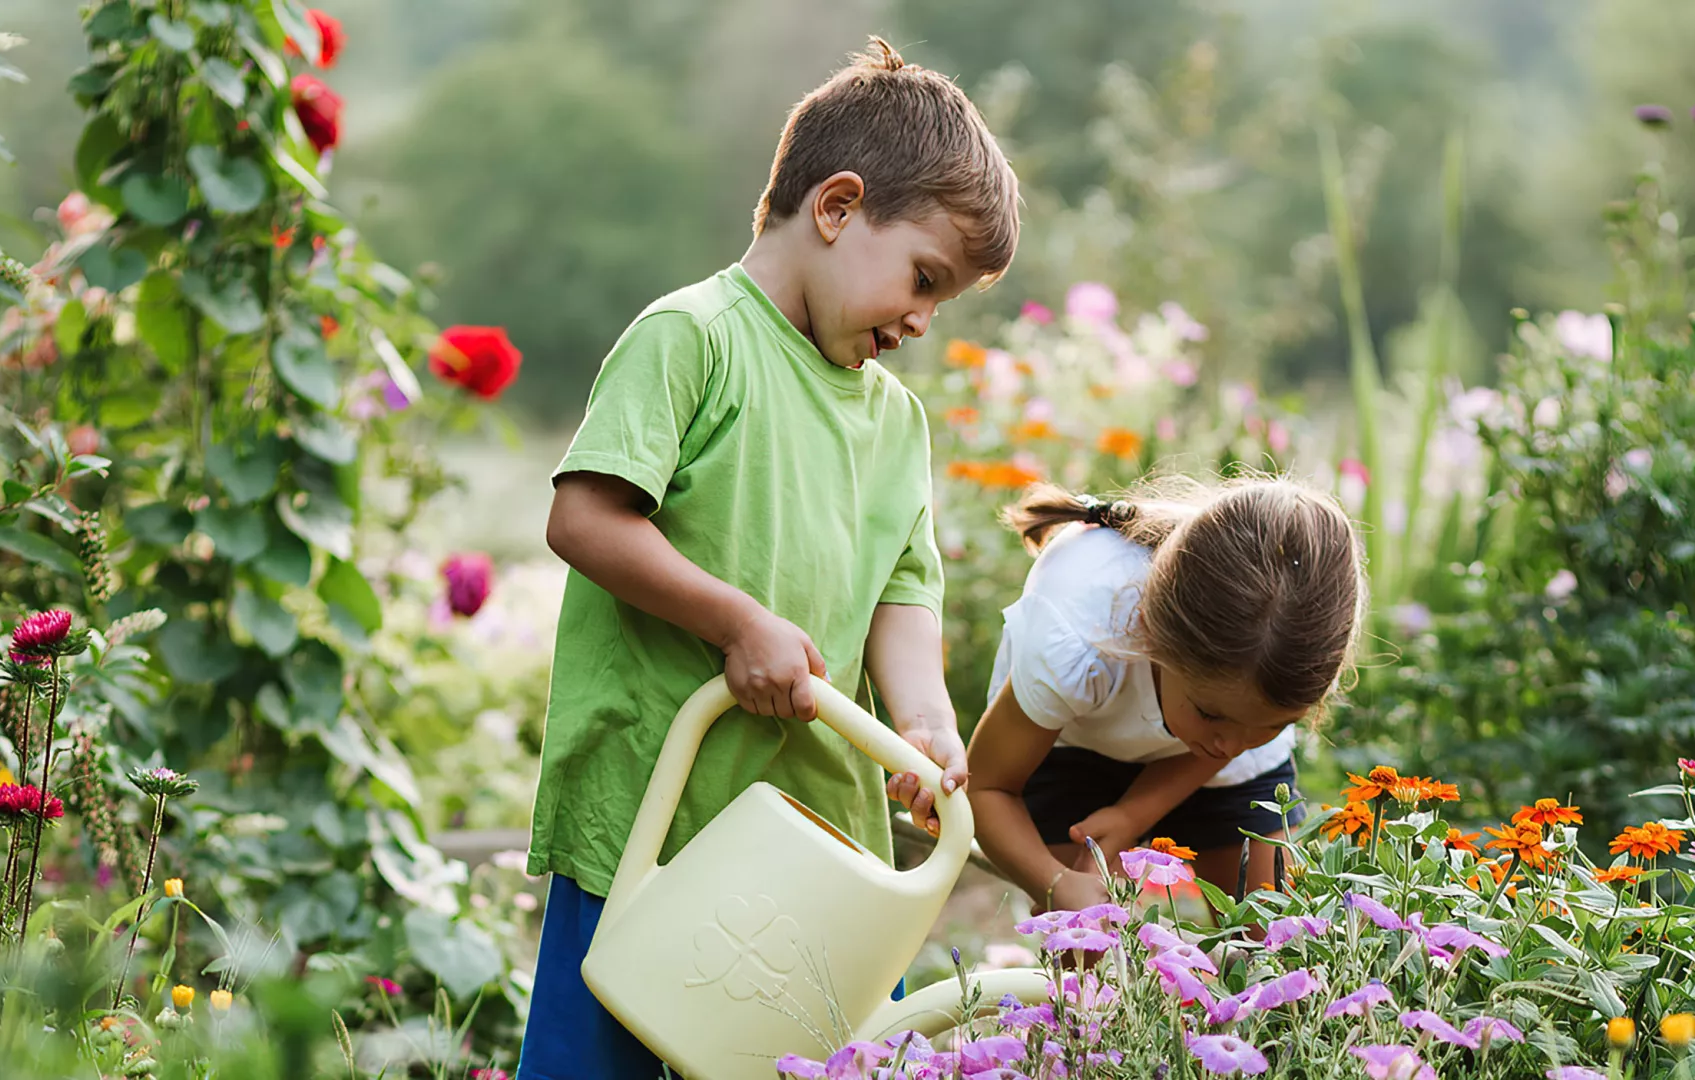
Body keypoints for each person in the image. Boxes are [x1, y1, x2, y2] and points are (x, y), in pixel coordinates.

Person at [515, 37, 1019, 1080]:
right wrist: (734, 624)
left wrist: (923, 717)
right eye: (924, 279)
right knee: (594, 1062)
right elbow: (587, 520)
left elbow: (904, 587)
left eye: (947, 301)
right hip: (650, 812)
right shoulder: (694, 338)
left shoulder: (895, 422)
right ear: (836, 208)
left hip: (808, 835)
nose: (924, 322)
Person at [967, 477, 1367, 915]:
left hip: (1202, 760)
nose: (1232, 745)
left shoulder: (1267, 676)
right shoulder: (1076, 635)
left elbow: (1230, 739)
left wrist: (1133, 814)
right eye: (1211, 714)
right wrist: (1055, 884)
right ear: (1150, 636)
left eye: (1276, 724)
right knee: (1085, 948)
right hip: (1071, 745)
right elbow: (988, 787)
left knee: (1272, 936)